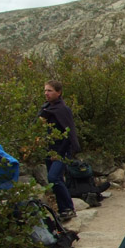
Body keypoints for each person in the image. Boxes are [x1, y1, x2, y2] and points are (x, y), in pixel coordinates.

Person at [39, 80, 80, 221]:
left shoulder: (63, 110)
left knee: (53, 177)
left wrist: (59, 153)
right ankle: (63, 209)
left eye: (49, 90)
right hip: (49, 150)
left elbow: (69, 134)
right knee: (55, 180)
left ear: (59, 92)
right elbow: (38, 127)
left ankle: (69, 208)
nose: (46, 93)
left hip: (62, 150)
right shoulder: (46, 109)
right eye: (45, 90)